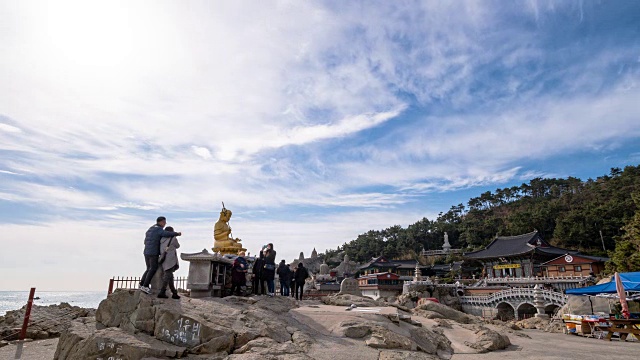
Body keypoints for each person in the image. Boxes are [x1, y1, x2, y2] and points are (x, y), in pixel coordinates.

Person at [140, 217, 181, 294]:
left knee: (148, 268)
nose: (165, 224)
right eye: (164, 222)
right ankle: (145, 286)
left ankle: (141, 284)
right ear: (161, 222)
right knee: (153, 268)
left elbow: (145, 241)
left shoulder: (150, 229)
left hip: (146, 252)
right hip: (153, 252)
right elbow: (166, 233)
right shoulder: (158, 229)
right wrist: (177, 233)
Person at [158, 227, 181, 299]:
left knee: (170, 276)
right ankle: (162, 292)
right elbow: (178, 246)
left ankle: (174, 293)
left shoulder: (161, 239)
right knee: (167, 276)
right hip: (170, 259)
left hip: (164, 259)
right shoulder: (173, 238)